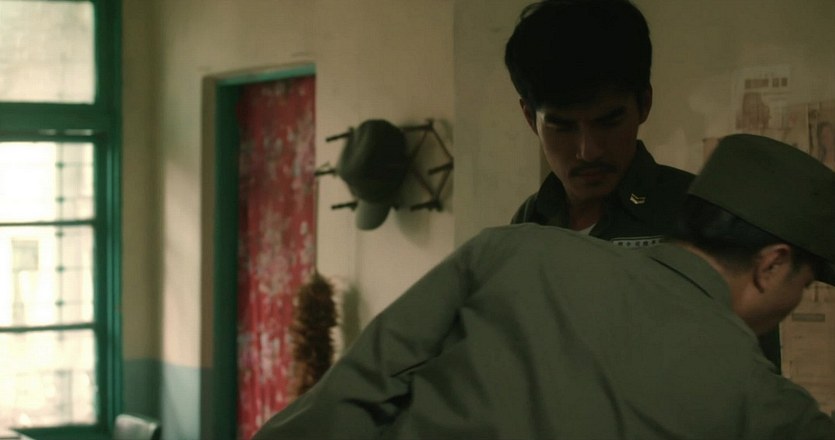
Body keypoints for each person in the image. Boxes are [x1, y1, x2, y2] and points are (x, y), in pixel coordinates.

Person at [253, 134, 835, 439]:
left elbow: (350, 396)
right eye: (805, 283)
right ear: (772, 264)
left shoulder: (512, 249)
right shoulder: (767, 408)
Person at [503, 0, 795, 371]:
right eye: (563, 126)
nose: (588, 150)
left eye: (608, 121)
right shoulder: (528, 223)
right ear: (530, 118)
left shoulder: (710, 219)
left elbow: (756, 384)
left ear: (644, 103)